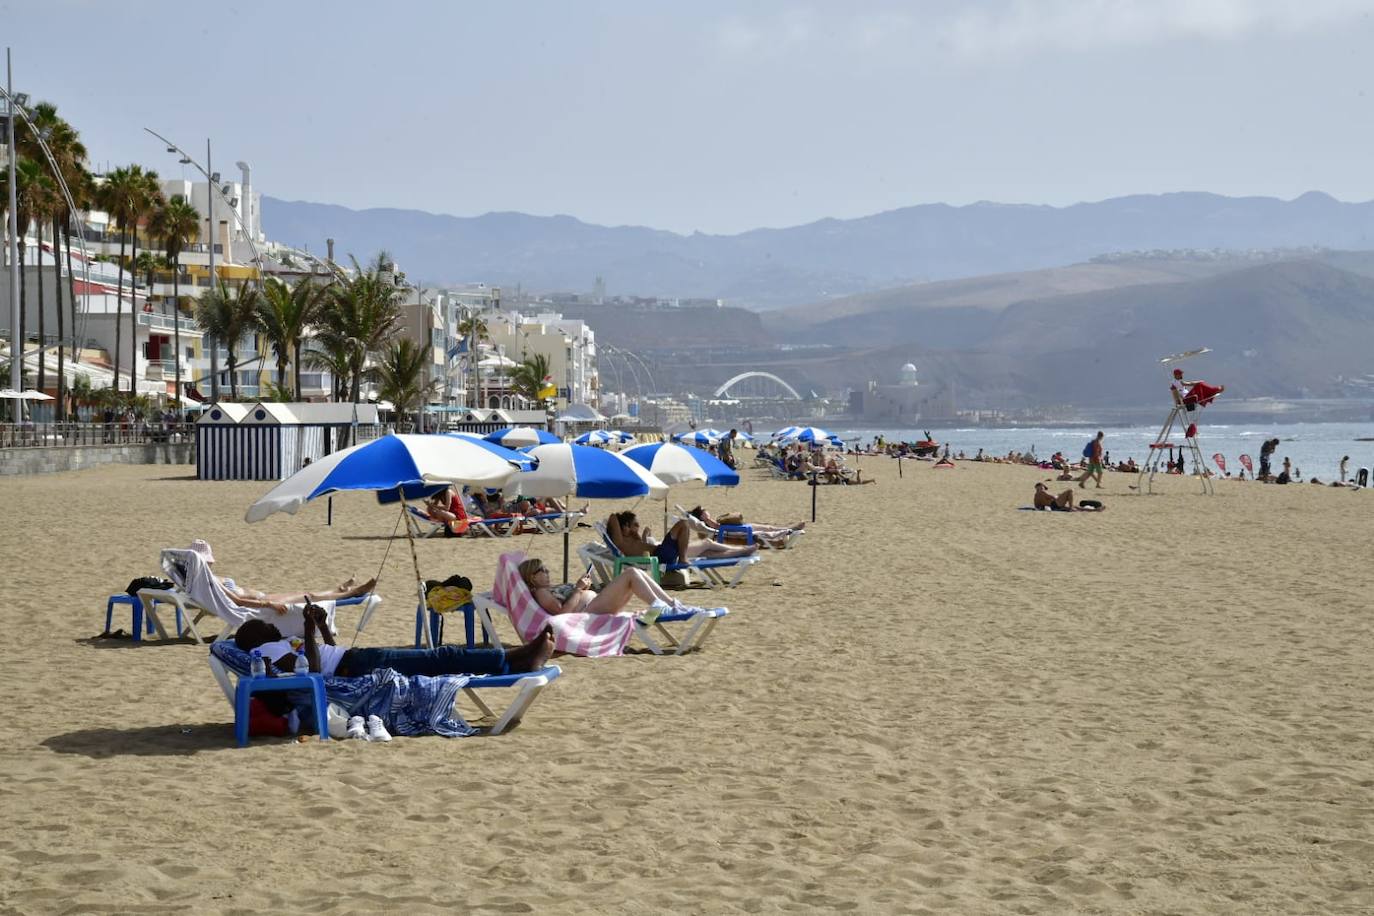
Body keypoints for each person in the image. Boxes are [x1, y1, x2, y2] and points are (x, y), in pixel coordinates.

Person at [235, 602, 555, 678]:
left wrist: (319, 625)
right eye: (263, 625)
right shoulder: (267, 650)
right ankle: (513, 658)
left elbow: (326, 650)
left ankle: (514, 659)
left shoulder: (276, 644)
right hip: (354, 667)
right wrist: (306, 630)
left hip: (353, 657)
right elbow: (311, 670)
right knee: (439, 658)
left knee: (437, 659)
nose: (271, 626)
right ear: (255, 637)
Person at [188, 539, 375, 616]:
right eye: (208, 561)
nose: (211, 563)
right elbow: (238, 600)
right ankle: (350, 593)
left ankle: (340, 589)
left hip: (260, 596)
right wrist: (269, 605)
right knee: (309, 597)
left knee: (307, 593)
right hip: (259, 602)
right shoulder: (207, 579)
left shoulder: (196, 577)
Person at [518, 558, 698, 619]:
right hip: (589, 611)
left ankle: (672, 604)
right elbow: (561, 615)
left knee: (636, 574)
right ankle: (662, 606)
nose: (547, 572)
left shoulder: (547, 589)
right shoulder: (541, 593)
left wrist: (580, 587)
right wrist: (578, 589)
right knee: (631, 573)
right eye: (542, 570)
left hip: (595, 604)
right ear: (532, 576)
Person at [607, 510, 757, 569]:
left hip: (659, 553)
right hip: (660, 556)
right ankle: (683, 559)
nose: (638, 527)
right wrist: (620, 519)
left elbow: (642, 546)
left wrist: (638, 532)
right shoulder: (621, 542)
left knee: (708, 551)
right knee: (683, 525)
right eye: (634, 525)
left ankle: (740, 552)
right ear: (624, 528)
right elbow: (613, 517)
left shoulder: (631, 539)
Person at [687, 506, 804, 547]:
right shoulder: (708, 523)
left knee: (767, 528)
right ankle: (788, 531)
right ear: (701, 516)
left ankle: (789, 529)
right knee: (762, 533)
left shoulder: (708, 522)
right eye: (703, 510)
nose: (706, 510)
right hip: (737, 531)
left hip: (738, 529)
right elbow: (720, 529)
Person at [1034, 482, 1105, 512]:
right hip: (1054, 504)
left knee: (1076, 507)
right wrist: (1058, 496)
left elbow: (1037, 506)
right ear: (1039, 487)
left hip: (1054, 506)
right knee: (1070, 491)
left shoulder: (1036, 495)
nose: (1043, 488)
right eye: (1042, 487)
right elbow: (1053, 497)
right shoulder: (1041, 492)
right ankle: (1071, 508)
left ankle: (1095, 510)